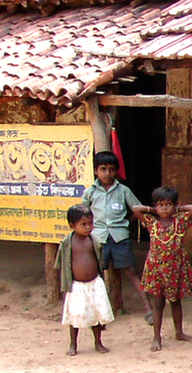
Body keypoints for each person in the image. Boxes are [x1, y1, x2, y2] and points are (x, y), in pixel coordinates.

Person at [81, 151, 152, 322]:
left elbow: (138, 209)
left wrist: (127, 222)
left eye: (111, 169)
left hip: (120, 237)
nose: (107, 173)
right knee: (94, 275)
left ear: (116, 171)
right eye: (103, 169)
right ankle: (95, 312)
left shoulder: (123, 191)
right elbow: (82, 212)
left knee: (131, 271)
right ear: (96, 171)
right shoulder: (91, 192)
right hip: (98, 238)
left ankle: (148, 309)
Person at [133, 186, 192, 352]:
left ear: (174, 205)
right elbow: (135, 209)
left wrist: (178, 209)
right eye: (160, 204)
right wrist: (152, 210)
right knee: (158, 303)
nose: (164, 208)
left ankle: (179, 332)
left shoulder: (180, 222)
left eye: (168, 204)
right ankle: (156, 337)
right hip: (157, 270)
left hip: (175, 269)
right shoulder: (152, 223)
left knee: (176, 301)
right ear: (155, 206)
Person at [57, 204, 113, 356]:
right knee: (75, 316)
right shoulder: (68, 243)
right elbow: (62, 264)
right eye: (83, 224)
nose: (88, 227)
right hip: (77, 286)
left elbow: (100, 260)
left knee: (97, 315)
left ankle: (98, 342)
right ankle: (73, 344)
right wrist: (65, 287)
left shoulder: (94, 241)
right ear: (72, 225)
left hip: (94, 283)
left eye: (90, 223)